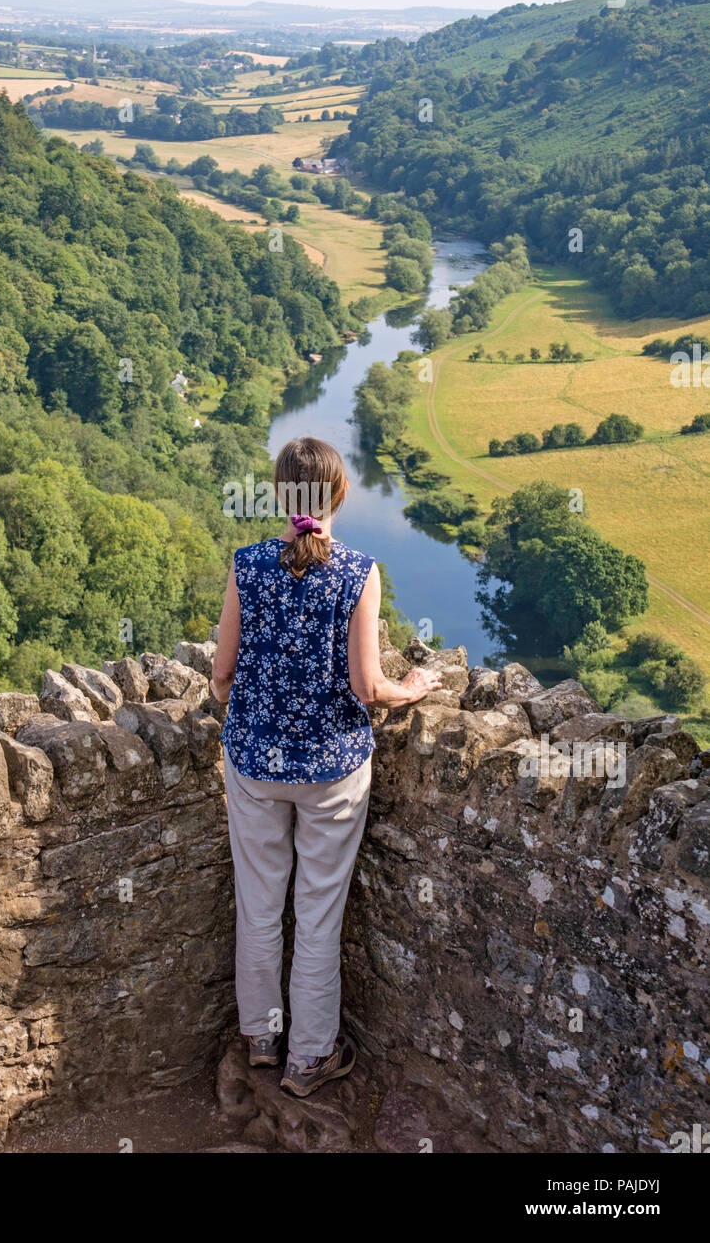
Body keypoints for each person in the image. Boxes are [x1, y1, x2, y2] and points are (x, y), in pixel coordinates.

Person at [210, 436, 441, 1098]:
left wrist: (249, 702)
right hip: (334, 769)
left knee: (258, 904)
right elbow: (368, 686)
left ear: (281, 496)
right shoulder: (358, 572)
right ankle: (309, 1058)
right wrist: (414, 689)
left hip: (254, 764)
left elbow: (221, 675)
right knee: (317, 914)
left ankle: (260, 1037)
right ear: (340, 494)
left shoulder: (247, 565)